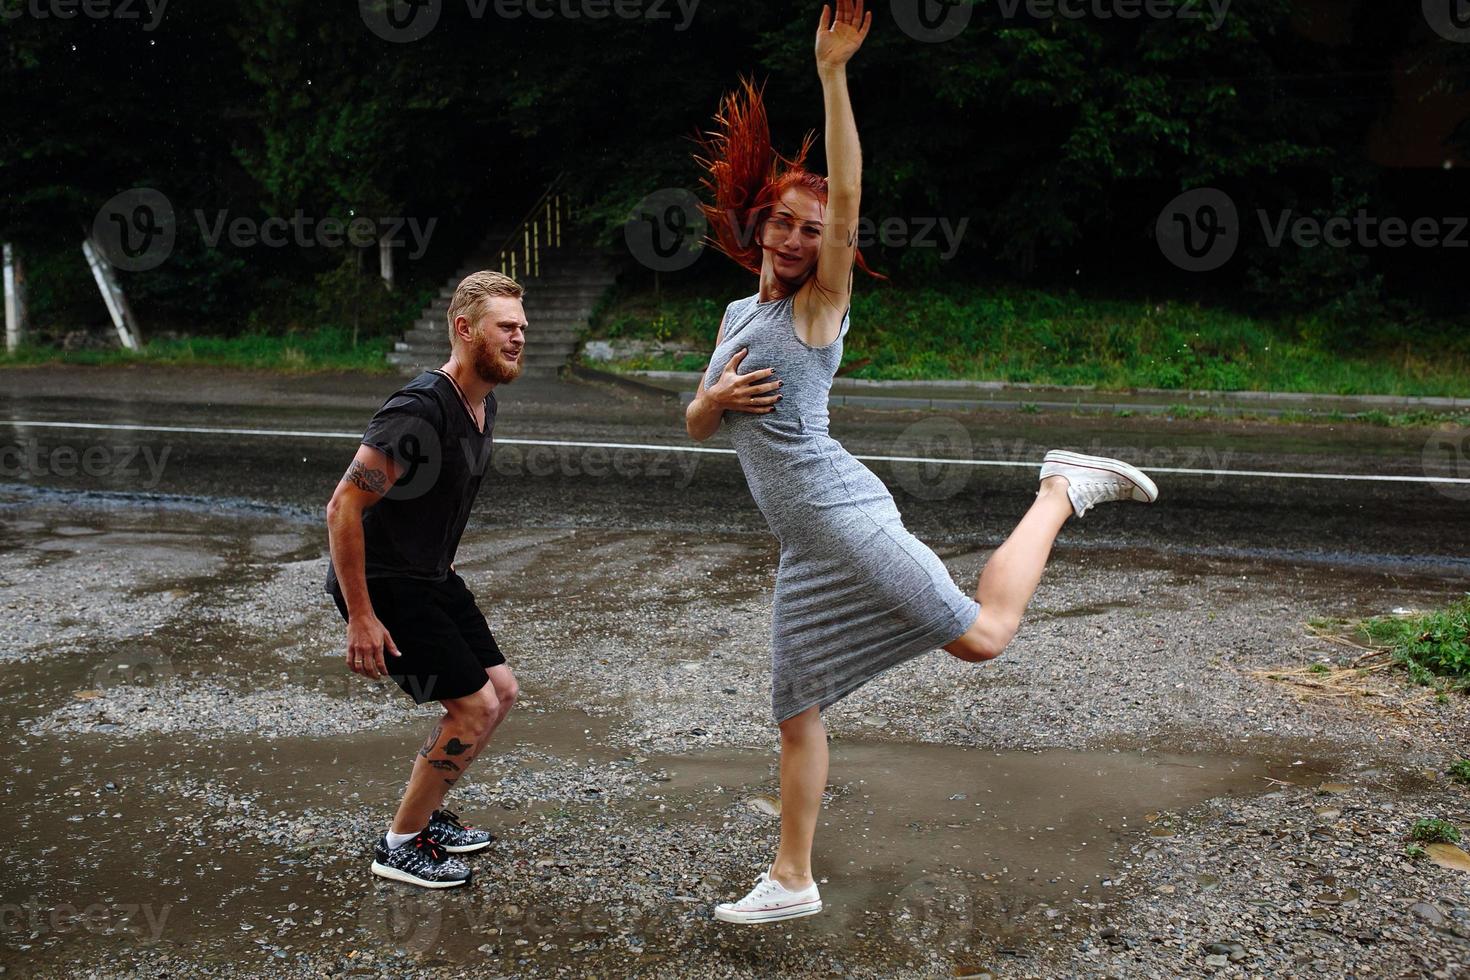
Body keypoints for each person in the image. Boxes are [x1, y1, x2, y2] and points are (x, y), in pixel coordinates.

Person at [686, 1, 1159, 924]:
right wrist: (708, 402)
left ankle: (1060, 488)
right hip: (802, 543)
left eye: (811, 231)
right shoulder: (739, 316)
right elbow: (703, 426)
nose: (793, 238)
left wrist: (832, 77)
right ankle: (792, 880)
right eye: (781, 222)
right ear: (760, 224)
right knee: (796, 707)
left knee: (981, 639)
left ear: (830, 247)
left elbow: (850, 194)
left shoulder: (816, 311)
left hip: (841, 516)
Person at [324, 270, 526, 888]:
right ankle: (400, 843)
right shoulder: (417, 412)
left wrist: (443, 557)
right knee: (471, 709)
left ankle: (427, 817)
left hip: (431, 575)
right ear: (465, 329)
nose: (518, 338)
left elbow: (437, 500)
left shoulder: (482, 402)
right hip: (386, 584)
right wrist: (362, 615)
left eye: (522, 328)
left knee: (502, 691)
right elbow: (343, 507)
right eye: (505, 327)